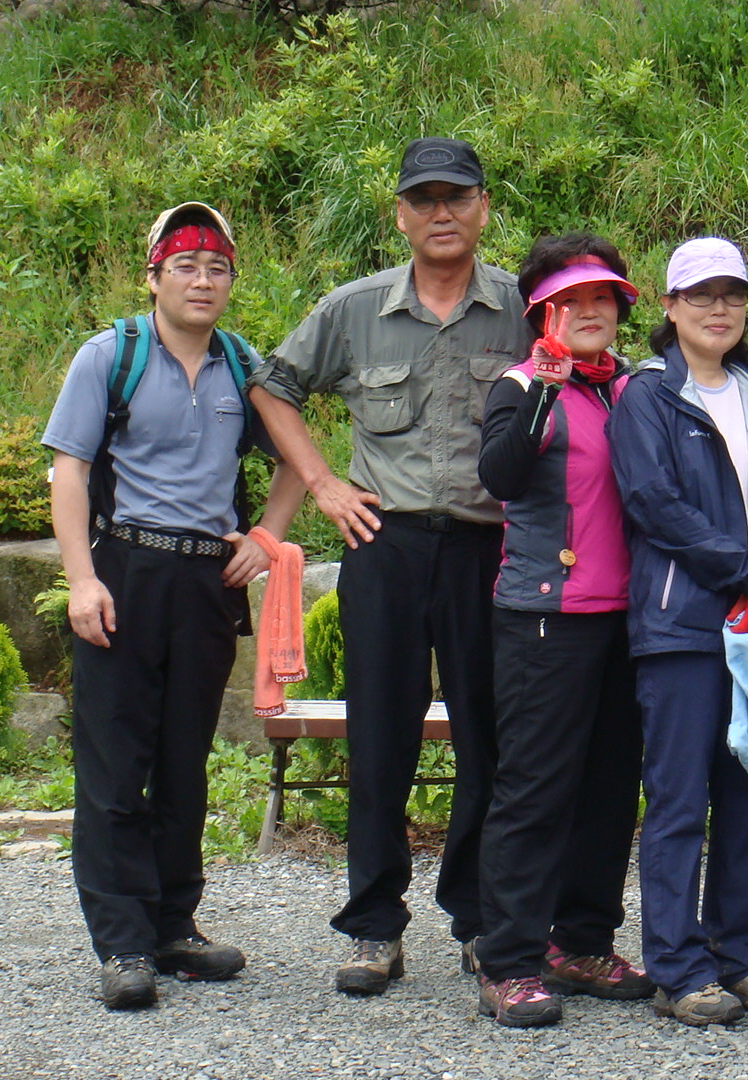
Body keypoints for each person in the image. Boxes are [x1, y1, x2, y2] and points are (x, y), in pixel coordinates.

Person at [245, 138, 534, 995]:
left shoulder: (525, 306)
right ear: (401, 214)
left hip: (491, 549)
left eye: (458, 197)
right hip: (384, 544)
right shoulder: (356, 307)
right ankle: (373, 925)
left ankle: (481, 917)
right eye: (424, 200)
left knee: (491, 737)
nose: (441, 213)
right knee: (380, 742)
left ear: (484, 207)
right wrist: (325, 482)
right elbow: (272, 386)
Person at [43, 201, 305, 1010]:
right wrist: (83, 579)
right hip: (123, 569)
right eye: (185, 265)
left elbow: (297, 453)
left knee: (184, 758)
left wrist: (266, 533)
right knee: (117, 763)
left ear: (231, 282)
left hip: (204, 582)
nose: (203, 279)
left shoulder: (240, 364)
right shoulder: (110, 355)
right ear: (153, 276)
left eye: (217, 267)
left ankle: (173, 925)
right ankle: (122, 943)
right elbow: (70, 472)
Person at [608, 237, 748, 1027]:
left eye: (731, 293)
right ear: (669, 308)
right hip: (682, 626)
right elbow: (653, 503)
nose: (718, 307)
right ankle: (681, 968)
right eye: (700, 295)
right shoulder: (646, 394)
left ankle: (743, 959)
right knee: (680, 800)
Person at [469, 233, 653, 1028]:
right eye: (569, 301)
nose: (588, 312)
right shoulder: (518, 385)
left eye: (602, 298)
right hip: (546, 614)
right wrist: (545, 388)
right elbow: (501, 476)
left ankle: (580, 941)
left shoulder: (632, 389)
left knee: (611, 789)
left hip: (628, 618)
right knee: (535, 787)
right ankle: (507, 957)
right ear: (541, 313)